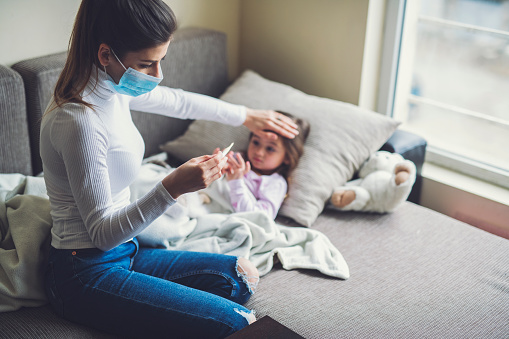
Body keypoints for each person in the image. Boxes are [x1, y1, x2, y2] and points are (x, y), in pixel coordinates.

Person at [40, 1, 299, 338]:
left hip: (128, 250)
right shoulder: (79, 121)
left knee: (241, 276)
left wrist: (246, 115)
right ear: (105, 55)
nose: (157, 75)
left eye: (161, 60)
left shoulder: (112, 88)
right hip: (85, 271)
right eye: (147, 64)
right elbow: (102, 235)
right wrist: (172, 187)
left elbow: (177, 100)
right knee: (238, 324)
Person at [225, 112, 310, 219]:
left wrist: (236, 183)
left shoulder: (275, 183)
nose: (259, 152)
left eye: (270, 149)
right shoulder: (237, 158)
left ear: (287, 157)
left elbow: (260, 218)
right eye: (256, 142)